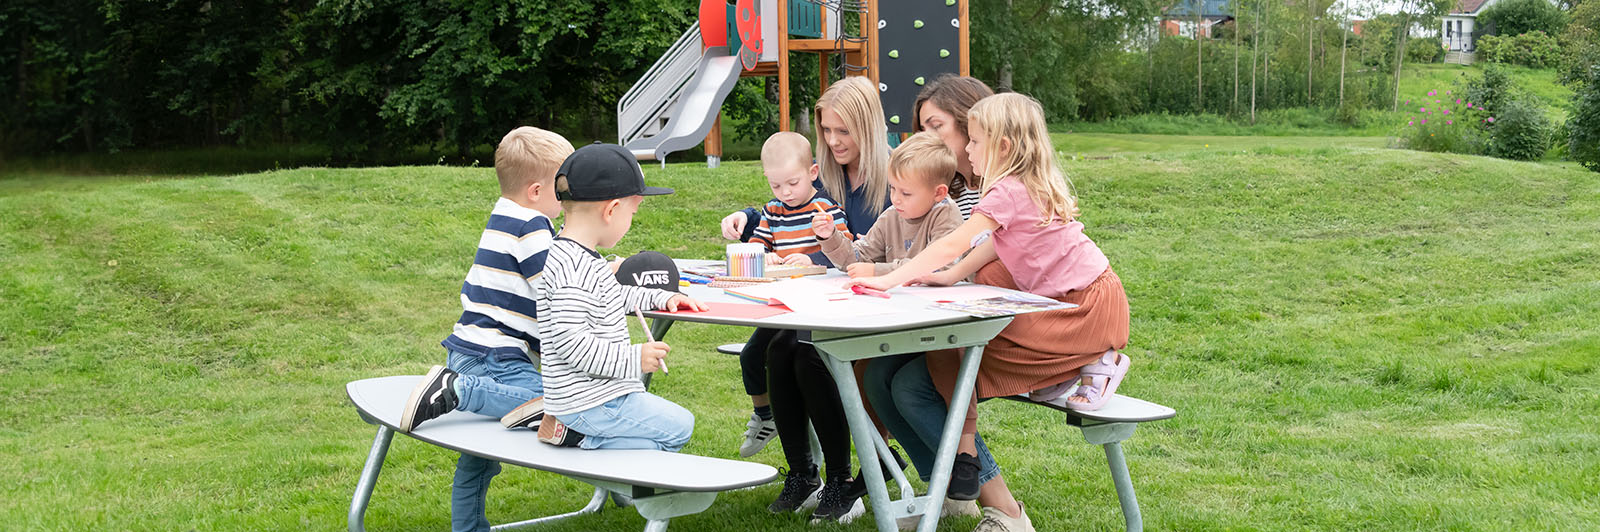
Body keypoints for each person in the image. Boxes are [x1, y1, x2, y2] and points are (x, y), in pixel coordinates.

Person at [848, 93, 1133, 532]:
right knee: (888, 379)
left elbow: (954, 242)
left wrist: (893, 279)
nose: (968, 150)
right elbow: (991, 248)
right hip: (1075, 305)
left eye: (976, 141)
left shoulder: (1007, 189)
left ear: (1002, 147)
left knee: (935, 366)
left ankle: (1007, 508)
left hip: (1082, 313)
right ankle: (948, 489)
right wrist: (949, 277)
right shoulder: (1020, 185)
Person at [397, 126, 571, 532]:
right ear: (535, 191)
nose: (566, 200)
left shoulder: (505, 213)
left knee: (479, 455)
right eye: (561, 191)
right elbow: (554, 290)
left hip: (467, 348)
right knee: (553, 401)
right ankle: (456, 391)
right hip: (498, 357)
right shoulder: (532, 225)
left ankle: (469, 527)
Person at [718, 76, 895, 456]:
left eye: (844, 131)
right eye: (826, 130)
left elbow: (882, 247)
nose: (833, 141)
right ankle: (805, 472)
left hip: (870, 305)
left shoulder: (895, 178)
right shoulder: (826, 173)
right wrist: (744, 217)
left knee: (795, 350)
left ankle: (837, 473)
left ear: (868, 127)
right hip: (813, 300)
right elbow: (784, 210)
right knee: (777, 348)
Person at [532, 143, 709, 451]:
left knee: (669, 425)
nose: (631, 221)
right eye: (632, 212)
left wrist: (661, 298)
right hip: (590, 402)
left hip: (595, 396)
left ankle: (589, 441)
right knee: (679, 427)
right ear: (611, 210)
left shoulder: (579, 256)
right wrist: (634, 358)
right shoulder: (572, 268)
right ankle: (586, 441)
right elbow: (570, 342)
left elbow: (612, 295)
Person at [813, 131, 963, 278]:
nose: (896, 199)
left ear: (938, 193)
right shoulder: (892, 214)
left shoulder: (946, 215)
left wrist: (877, 271)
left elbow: (938, 267)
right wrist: (830, 236)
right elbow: (855, 259)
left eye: (906, 193)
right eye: (892, 188)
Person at [913, 75, 995, 220]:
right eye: (923, 130)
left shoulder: (1005, 187)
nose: (926, 137)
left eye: (936, 126)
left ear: (968, 121)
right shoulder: (946, 189)